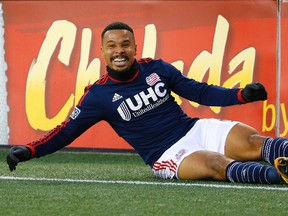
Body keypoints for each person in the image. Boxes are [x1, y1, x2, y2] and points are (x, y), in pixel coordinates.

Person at [6, 22, 288, 184]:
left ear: (135, 47)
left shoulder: (157, 68)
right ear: (102, 52)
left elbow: (199, 93)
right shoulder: (97, 96)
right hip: (168, 154)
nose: (120, 51)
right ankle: (279, 176)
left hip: (195, 129)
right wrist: (30, 150)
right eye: (113, 46)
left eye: (125, 44)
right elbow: (65, 132)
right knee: (216, 164)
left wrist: (241, 95)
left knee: (254, 142)